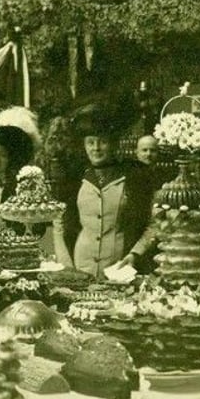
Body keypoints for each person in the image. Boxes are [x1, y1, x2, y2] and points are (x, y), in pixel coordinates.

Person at [60, 108, 158, 279]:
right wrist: (67, 264)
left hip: (120, 266)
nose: (96, 148)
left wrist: (135, 254)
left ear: (114, 144)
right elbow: (60, 223)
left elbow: (154, 223)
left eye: (103, 142)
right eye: (90, 143)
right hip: (81, 265)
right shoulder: (75, 178)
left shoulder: (135, 178)